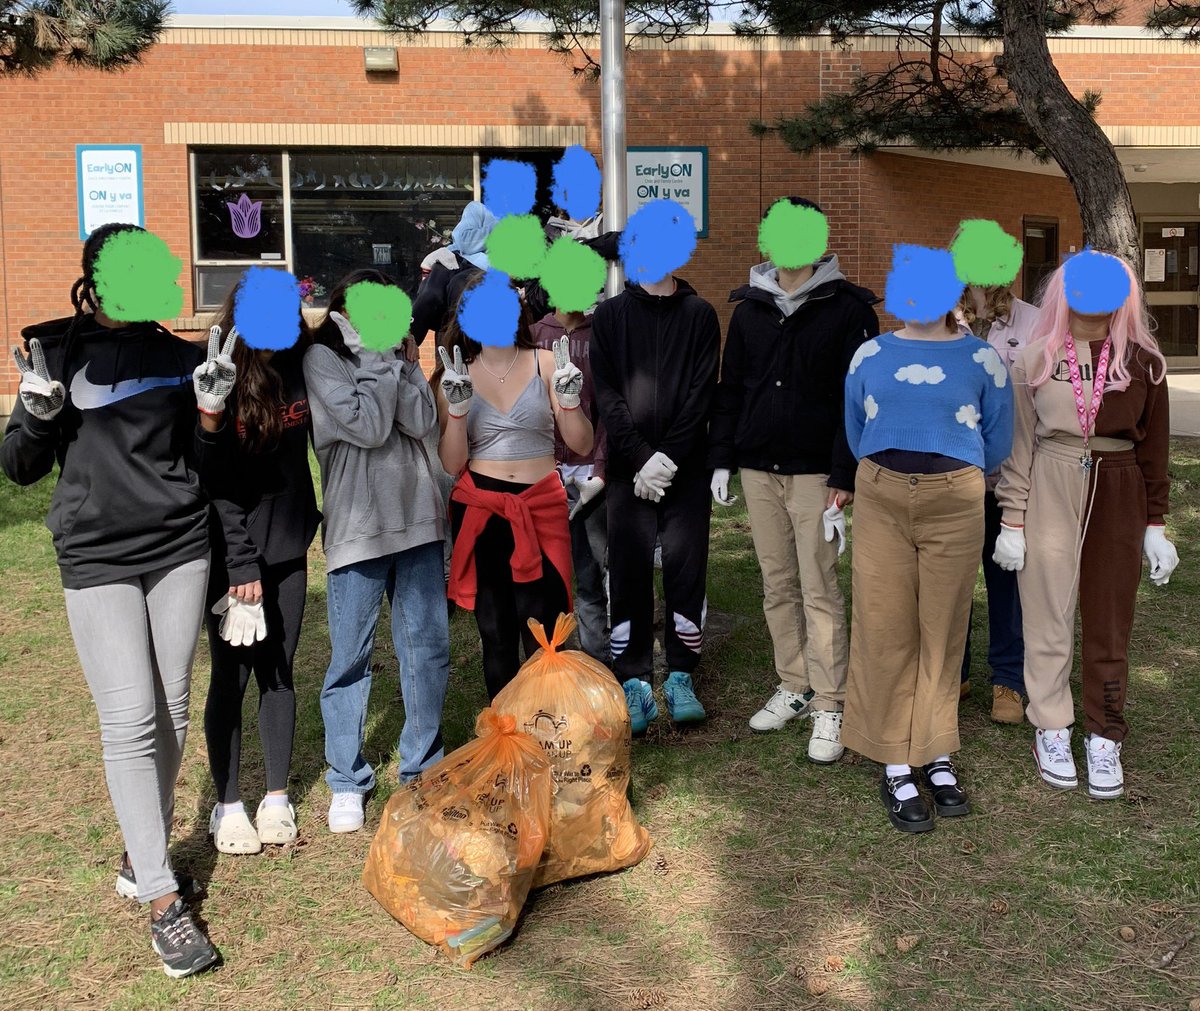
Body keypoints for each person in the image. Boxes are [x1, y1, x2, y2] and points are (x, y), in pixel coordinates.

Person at [1, 223, 235, 977]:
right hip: (96, 554)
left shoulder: (180, 356)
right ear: (93, 280)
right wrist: (35, 418)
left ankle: (142, 853)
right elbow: (19, 467)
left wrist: (210, 415)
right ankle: (164, 901)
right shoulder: (53, 352)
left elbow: (207, 466)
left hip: (177, 547)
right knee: (129, 714)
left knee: (169, 705)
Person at [841, 244, 1013, 833]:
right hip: (882, 496)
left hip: (956, 501)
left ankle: (936, 753)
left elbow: (998, 437)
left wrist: (958, 474)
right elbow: (854, 427)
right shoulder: (870, 354)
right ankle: (895, 758)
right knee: (886, 623)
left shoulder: (983, 358)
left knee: (945, 626)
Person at [994, 251, 1176, 800]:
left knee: (1108, 614)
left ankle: (1105, 732)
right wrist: (1013, 518)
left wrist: (1155, 524)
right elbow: (1019, 446)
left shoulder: (1144, 361)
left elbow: (1157, 449)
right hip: (1052, 476)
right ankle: (1052, 724)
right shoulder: (1032, 359)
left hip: (1119, 482)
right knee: (1047, 608)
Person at [709, 196, 880, 762]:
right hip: (759, 468)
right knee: (776, 581)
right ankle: (794, 684)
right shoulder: (749, 308)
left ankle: (831, 701)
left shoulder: (849, 309)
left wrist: (844, 472)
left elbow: (854, 402)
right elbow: (731, 388)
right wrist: (722, 459)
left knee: (818, 587)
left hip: (816, 474)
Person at [303, 268, 450, 834]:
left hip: (417, 524)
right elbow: (365, 427)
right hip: (357, 531)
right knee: (350, 658)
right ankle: (346, 777)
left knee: (427, 650)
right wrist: (376, 362)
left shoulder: (396, 357)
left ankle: (422, 766)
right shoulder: (324, 362)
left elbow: (421, 420)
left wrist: (399, 362)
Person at [203, 276, 320, 854]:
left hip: (290, 547)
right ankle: (226, 806)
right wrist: (240, 565)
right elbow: (215, 481)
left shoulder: (300, 360)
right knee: (233, 675)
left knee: (278, 670)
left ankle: (276, 798)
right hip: (233, 556)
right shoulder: (220, 368)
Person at [435, 277, 595, 700]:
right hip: (483, 512)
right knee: (496, 631)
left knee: (546, 632)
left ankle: (551, 728)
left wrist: (572, 401)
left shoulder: (547, 363)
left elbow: (581, 443)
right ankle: (507, 733)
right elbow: (452, 463)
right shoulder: (455, 375)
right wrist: (456, 412)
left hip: (540, 506)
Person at [590, 263, 721, 731]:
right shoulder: (609, 317)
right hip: (630, 471)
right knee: (627, 568)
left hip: (684, 471)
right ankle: (634, 678)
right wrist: (641, 458)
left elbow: (702, 392)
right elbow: (607, 395)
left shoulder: (700, 314)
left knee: (687, 566)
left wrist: (668, 458)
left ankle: (682, 673)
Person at [954, 279, 1040, 723]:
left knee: (1007, 582)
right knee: (952, 582)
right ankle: (956, 672)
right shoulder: (943, 318)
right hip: (956, 476)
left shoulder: (1033, 321)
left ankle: (1008, 679)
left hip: (1010, 477)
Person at [531, 303, 611, 664]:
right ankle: (552, 664)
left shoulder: (602, 335)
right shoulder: (534, 335)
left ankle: (598, 664)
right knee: (547, 577)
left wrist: (601, 467)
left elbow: (610, 407)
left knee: (591, 574)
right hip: (544, 477)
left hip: (590, 475)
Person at [410, 201, 496, 349]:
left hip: (483, 269)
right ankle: (404, 347)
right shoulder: (478, 208)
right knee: (429, 296)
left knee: (459, 299)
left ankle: (455, 361)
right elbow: (465, 242)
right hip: (451, 259)